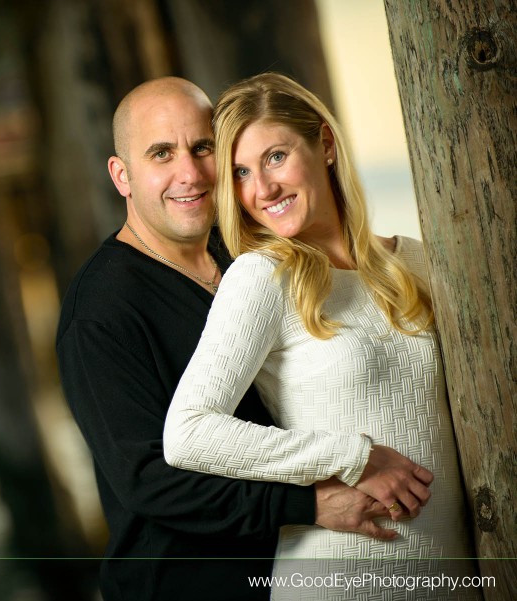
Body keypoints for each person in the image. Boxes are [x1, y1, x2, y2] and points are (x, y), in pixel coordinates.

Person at [56, 76, 431, 601]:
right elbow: (148, 478)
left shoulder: (250, 255)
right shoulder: (100, 311)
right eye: (161, 153)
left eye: (203, 148)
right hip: (181, 588)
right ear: (122, 175)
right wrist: (309, 504)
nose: (189, 173)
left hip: (288, 569)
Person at [163, 72, 479, 599]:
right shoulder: (261, 276)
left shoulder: (419, 260)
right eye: (239, 172)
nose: (261, 190)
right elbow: (188, 433)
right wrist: (355, 457)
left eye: (275, 157)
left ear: (325, 144)